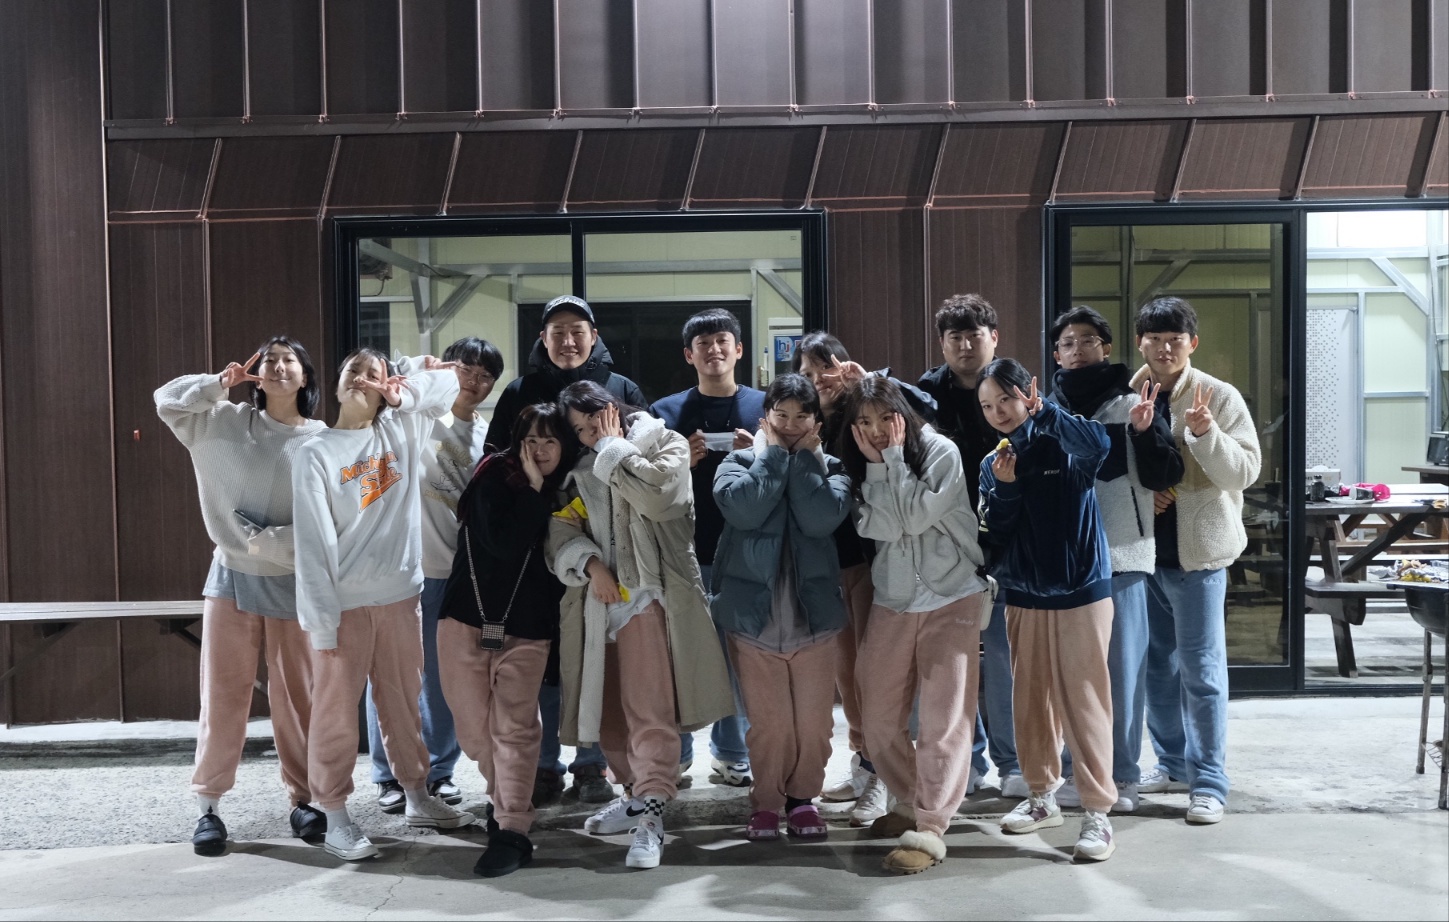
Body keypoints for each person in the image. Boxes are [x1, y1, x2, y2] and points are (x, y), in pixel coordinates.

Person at [292, 347, 475, 861]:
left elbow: (447, 387)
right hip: (344, 607)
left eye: (372, 373)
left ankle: (417, 795)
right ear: (336, 384)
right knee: (334, 716)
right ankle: (334, 816)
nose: (360, 377)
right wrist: (322, 623)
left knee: (403, 704)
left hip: (400, 597)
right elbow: (312, 545)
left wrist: (403, 392)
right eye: (352, 370)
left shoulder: (402, 429)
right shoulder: (316, 451)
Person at [546, 380, 733, 870]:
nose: (589, 434)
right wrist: (590, 564)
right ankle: (633, 795)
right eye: (579, 430)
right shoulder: (580, 470)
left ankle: (652, 810)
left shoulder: (665, 443)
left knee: (651, 709)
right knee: (609, 713)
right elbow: (561, 527)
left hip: (650, 598)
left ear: (612, 409)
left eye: (593, 421)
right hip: (598, 607)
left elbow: (659, 499)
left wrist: (612, 447)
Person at [156, 337, 328, 856]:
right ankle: (208, 807)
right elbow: (166, 400)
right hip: (232, 573)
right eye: (269, 359)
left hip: (295, 579)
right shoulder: (223, 421)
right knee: (223, 694)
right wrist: (217, 384)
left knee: (298, 697)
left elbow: (344, 509)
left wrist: (281, 543)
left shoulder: (323, 439)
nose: (278, 366)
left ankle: (305, 800)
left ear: (305, 377)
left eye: (289, 360)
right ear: (256, 373)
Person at [486, 294, 644, 806]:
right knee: (546, 652)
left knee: (597, 648)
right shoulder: (520, 391)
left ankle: (592, 762)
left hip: (607, 543)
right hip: (538, 538)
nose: (569, 340)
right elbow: (499, 457)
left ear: (594, 336)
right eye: (558, 331)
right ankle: (545, 763)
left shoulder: (620, 389)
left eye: (578, 330)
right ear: (543, 339)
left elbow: (638, 457)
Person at [836, 376, 989, 875]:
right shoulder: (858, 466)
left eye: (886, 418)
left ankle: (930, 826)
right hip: (894, 598)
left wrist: (893, 464)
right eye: (864, 421)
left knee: (944, 720)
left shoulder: (941, 451)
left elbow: (916, 519)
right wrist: (881, 469)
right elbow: (879, 526)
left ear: (903, 414)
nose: (876, 430)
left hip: (953, 593)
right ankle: (910, 798)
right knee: (876, 715)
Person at [791, 332, 937, 827]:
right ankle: (864, 763)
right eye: (808, 374)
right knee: (847, 674)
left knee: (877, 676)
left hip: (872, 561)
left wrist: (868, 379)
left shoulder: (866, 411)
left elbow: (924, 411)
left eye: (825, 369)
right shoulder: (804, 423)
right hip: (825, 565)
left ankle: (882, 774)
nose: (818, 380)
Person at [976, 357, 1118, 862]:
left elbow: (1100, 445)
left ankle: (1097, 812)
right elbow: (994, 533)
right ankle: (1041, 797)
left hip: (1082, 590)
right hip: (1023, 595)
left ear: (1028, 393)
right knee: (1031, 700)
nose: (998, 412)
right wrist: (1006, 488)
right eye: (987, 406)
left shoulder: (1064, 439)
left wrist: (1048, 414)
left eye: (1006, 399)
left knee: (1085, 700)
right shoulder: (994, 462)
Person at [1044, 307, 1183, 814]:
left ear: (1105, 347)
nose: (1077, 349)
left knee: (1122, 672)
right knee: (1069, 675)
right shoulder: (1045, 409)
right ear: (1056, 354)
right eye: (1067, 342)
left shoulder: (1134, 402)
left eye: (1087, 340)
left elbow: (1165, 474)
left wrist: (1144, 432)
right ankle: (1071, 771)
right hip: (1064, 561)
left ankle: (1122, 774)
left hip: (1123, 553)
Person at [1129, 297, 1261, 825]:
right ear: (1140, 342)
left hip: (1200, 558)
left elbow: (1243, 472)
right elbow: (1116, 470)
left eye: (1175, 340)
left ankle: (1209, 783)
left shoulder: (1219, 396)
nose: (1165, 348)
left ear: (1192, 344)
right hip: (1143, 557)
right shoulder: (1129, 394)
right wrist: (1147, 494)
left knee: (1202, 672)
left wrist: (1206, 434)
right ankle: (1172, 764)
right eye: (1155, 339)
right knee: (1156, 670)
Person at [439, 403, 578, 877]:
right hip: (465, 617)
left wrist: (542, 493)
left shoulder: (571, 491)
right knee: (475, 733)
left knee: (516, 729)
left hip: (529, 626)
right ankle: (502, 800)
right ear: (517, 443)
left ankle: (512, 828)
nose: (539, 450)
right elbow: (502, 542)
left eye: (550, 440)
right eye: (530, 440)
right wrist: (533, 492)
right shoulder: (493, 477)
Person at [367, 336, 504, 815]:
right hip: (405, 568)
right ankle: (389, 774)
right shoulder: (420, 415)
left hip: (457, 573)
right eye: (466, 369)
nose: (474, 381)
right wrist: (417, 371)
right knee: (393, 675)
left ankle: (439, 773)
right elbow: (390, 391)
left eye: (485, 376)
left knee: (448, 679)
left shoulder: (487, 436)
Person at [712, 373, 851, 840]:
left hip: (814, 619)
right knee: (769, 727)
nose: (790, 425)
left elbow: (819, 519)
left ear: (816, 422)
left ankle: (803, 800)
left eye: (801, 416)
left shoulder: (832, 468)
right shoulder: (737, 462)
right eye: (781, 415)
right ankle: (767, 804)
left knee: (814, 727)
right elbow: (745, 510)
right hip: (752, 620)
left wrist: (805, 462)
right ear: (764, 418)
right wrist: (772, 457)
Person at [915, 294, 1024, 799]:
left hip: (1009, 539)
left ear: (993, 337)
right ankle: (968, 760)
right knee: (954, 660)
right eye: (954, 337)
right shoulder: (925, 394)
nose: (964, 345)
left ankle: (1012, 762)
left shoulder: (1014, 386)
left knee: (1002, 657)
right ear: (942, 343)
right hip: (947, 544)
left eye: (974, 335)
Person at [650, 308, 762, 789]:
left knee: (739, 655)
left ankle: (732, 752)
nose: (714, 350)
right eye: (703, 343)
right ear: (688, 354)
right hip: (684, 551)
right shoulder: (666, 412)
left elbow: (783, 473)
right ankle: (676, 755)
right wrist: (682, 463)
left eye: (722, 341)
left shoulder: (764, 407)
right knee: (680, 654)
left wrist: (756, 455)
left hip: (747, 551)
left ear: (738, 349)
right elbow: (647, 482)